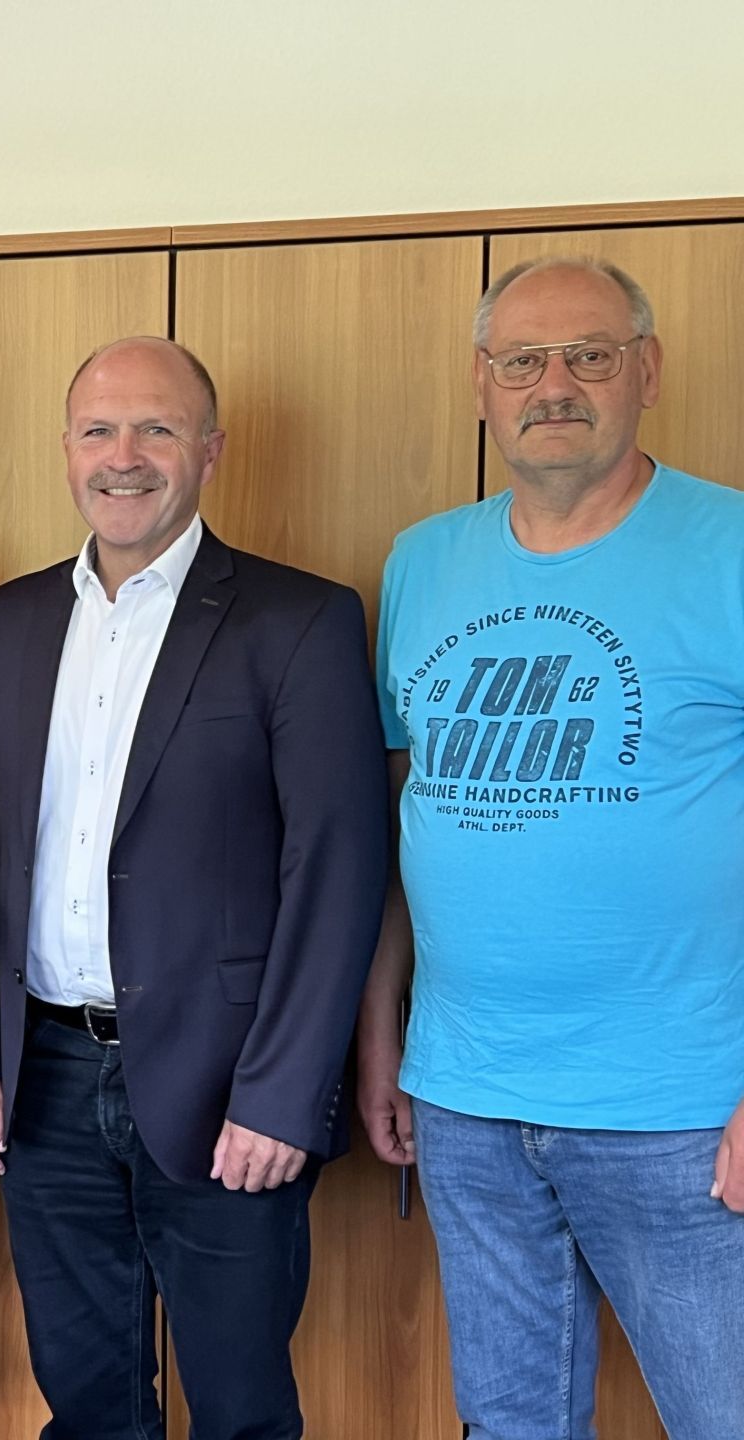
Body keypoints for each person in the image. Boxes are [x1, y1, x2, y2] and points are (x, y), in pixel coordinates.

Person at [0, 337, 388, 1440]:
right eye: (98, 430)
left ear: (210, 451)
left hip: (229, 1085)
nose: (123, 456)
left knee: (237, 1407)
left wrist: (285, 1095)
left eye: (157, 429)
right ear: (65, 451)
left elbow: (339, 868)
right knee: (87, 1401)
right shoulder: (12, 620)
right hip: (42, 1083)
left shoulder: (300, 620)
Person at [358, 256, 744, 1439]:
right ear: (483, 385)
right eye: (523, 360)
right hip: (467, 1103)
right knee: (511, 1426)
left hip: (683, 1109)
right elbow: (403, 826)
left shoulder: (729, 545)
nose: (555, 384)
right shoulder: (422, 560)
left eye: (591, 354)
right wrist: (385, 1040)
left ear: (650, 372)